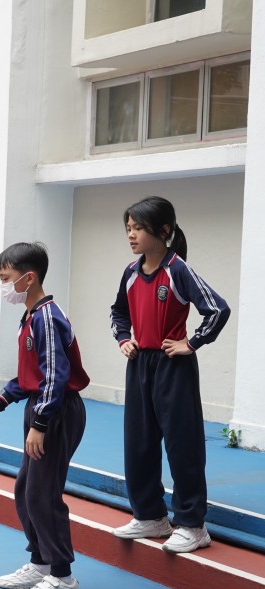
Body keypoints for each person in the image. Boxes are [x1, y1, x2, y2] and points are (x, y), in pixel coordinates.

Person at [109, 196, 230, 554]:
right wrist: (123, 339)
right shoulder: (130, 273)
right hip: (139, 366)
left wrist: (191, 343)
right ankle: (150, 516)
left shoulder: (178, 270)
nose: (131, 235)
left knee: (182, 444)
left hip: (172, 366)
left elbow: (217, 310)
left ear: (163, 231)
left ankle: (193, 524)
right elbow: (117, 313)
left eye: (138, 228)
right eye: (128, 228)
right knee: (139, 442)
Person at [0, 242, 89, 589]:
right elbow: (31, 375)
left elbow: (55, 376)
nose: (3, 287)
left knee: (43, 494)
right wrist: (2, 400)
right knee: (26, 489)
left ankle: (63, 579)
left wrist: (40, 423)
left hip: (55, 413)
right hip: (42, 409)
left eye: (6, 279)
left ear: (29, 277)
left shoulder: (47, 317)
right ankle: (40, 562)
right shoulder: (30, 316)